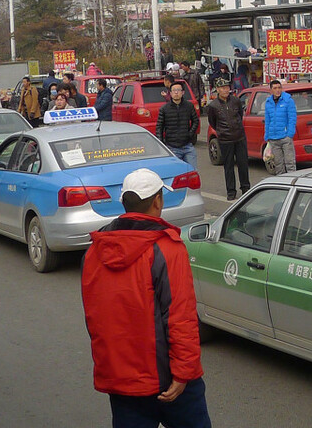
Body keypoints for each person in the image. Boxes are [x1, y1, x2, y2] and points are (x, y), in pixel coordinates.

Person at [81, 168, 210, 428]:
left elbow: (96, 319)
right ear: (157, 201)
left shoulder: (95, 251)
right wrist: (183, 373)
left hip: (122, 382)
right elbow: (180, 316)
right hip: (168, 382)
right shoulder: (167, 249)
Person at [206, 77, 250, 201]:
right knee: (229, 166)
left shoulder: (236, 101)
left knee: (243, 164)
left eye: (227, 87)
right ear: (218, 90)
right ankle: (231, 191)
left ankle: (245, 188)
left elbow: (240, 116)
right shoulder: (213, 106)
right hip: (225, 140)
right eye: (223, 88)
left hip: (239, 137)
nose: (226, 90)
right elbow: (213, 122)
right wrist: (222, 132)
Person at [157, 82, 200, 169]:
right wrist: (161, 145)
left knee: (192, 173)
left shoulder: (189, 106)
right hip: (172, 147)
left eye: (178, 90)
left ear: (183, 92)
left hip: (188, 146)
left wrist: (190, 134)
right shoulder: (164, 109)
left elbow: (195, 121)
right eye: (174, 90)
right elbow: (159, 127)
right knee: (178, 176)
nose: (176, 93)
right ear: (170, 93)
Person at [262, 79, 298, 174]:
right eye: (275, 88)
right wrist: (267, 135)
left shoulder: (288, 101)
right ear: (271, 90)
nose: (277, 90)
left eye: (279, 88)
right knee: (278, 164)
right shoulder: (268, 102)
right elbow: (267, 120)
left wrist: (289, 134)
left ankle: (292, 184)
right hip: (273, 138)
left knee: (290, 163)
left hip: (285, 137)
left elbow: (292, 118)